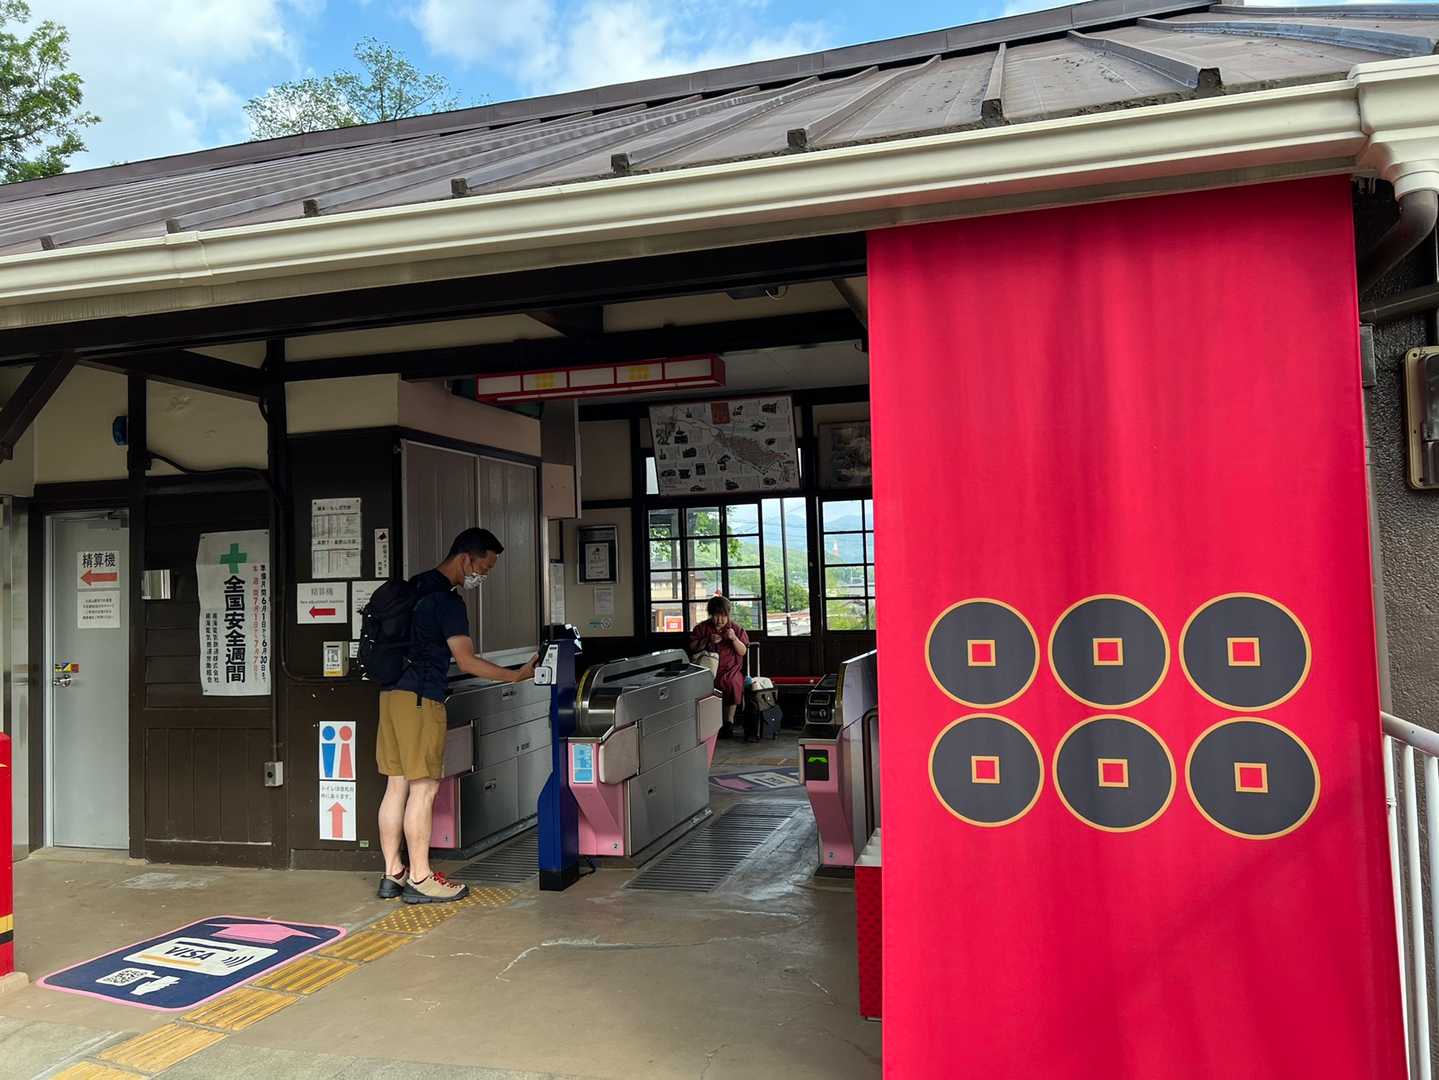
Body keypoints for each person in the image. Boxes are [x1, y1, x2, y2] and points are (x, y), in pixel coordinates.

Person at [376, 528, 536, 904]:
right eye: (485, 566)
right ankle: (421, 877)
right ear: (466, 558)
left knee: (396, 785)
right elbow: (466, 660)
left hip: (390, 696)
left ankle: (392, 873)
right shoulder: (446, 601)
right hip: (420, 700)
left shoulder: (412, 587)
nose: (484, 574)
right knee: (424, 788)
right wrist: (515, 675)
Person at [688, 595, 749, 734]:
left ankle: (729, 722)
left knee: (732, 683)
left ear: (728, 614)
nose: (719, 620)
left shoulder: (735, 629)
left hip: (730, 670)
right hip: (706, 670)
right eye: (716, 615)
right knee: (703, 684)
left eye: (723, 616)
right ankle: (708, 722)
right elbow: (692, 647)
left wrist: (734, 639)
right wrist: (707, 640)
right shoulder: (702, 628)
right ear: (711, 614)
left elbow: (743, 651)